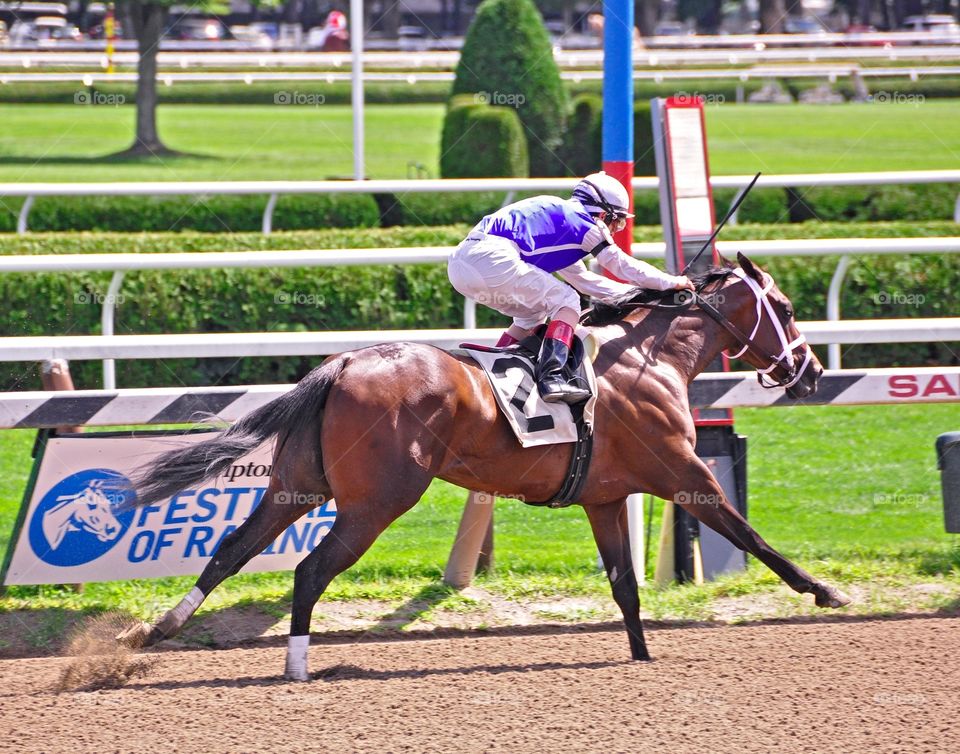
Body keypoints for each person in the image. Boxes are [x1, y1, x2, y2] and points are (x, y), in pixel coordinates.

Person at [448, 172, 694, 404]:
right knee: (567, 301)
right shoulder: (586, 223)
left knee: (532, 315)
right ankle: (552, 377)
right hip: (492, 259)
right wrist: (671, 282)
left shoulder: (564, 223)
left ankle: (496, 361)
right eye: (617, 222)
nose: (616, 230)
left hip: (461, 265)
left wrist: (642, 297)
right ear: (602, 214)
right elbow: (621, 265)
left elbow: (585, 281)